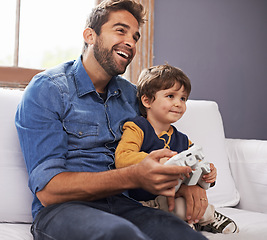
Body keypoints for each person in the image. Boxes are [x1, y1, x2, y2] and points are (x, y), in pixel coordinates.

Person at [15, 1, 209, 239]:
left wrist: (192, 182)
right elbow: (48, 191)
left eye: (135, 37)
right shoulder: (48, 89)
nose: (130, 42)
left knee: (183, 235)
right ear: (90, 36)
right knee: (119, 234)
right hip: (64, 209)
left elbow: (164, 141)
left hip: (125, 206)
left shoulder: (133, 96)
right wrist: (133, 175)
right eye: (120, 30)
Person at [115, 63, 239, 234]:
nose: (179, 103)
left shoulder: (182, 140)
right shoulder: (137, 128)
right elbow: (122, 157)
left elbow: (198, 165)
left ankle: (208, 217)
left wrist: (209, 173)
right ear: (147, 100)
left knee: (188, 203)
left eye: (183, 98)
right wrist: (159, 161)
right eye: (170, 96)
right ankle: (187, 223)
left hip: (172, 197)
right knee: (178, 208)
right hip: (143, 202)